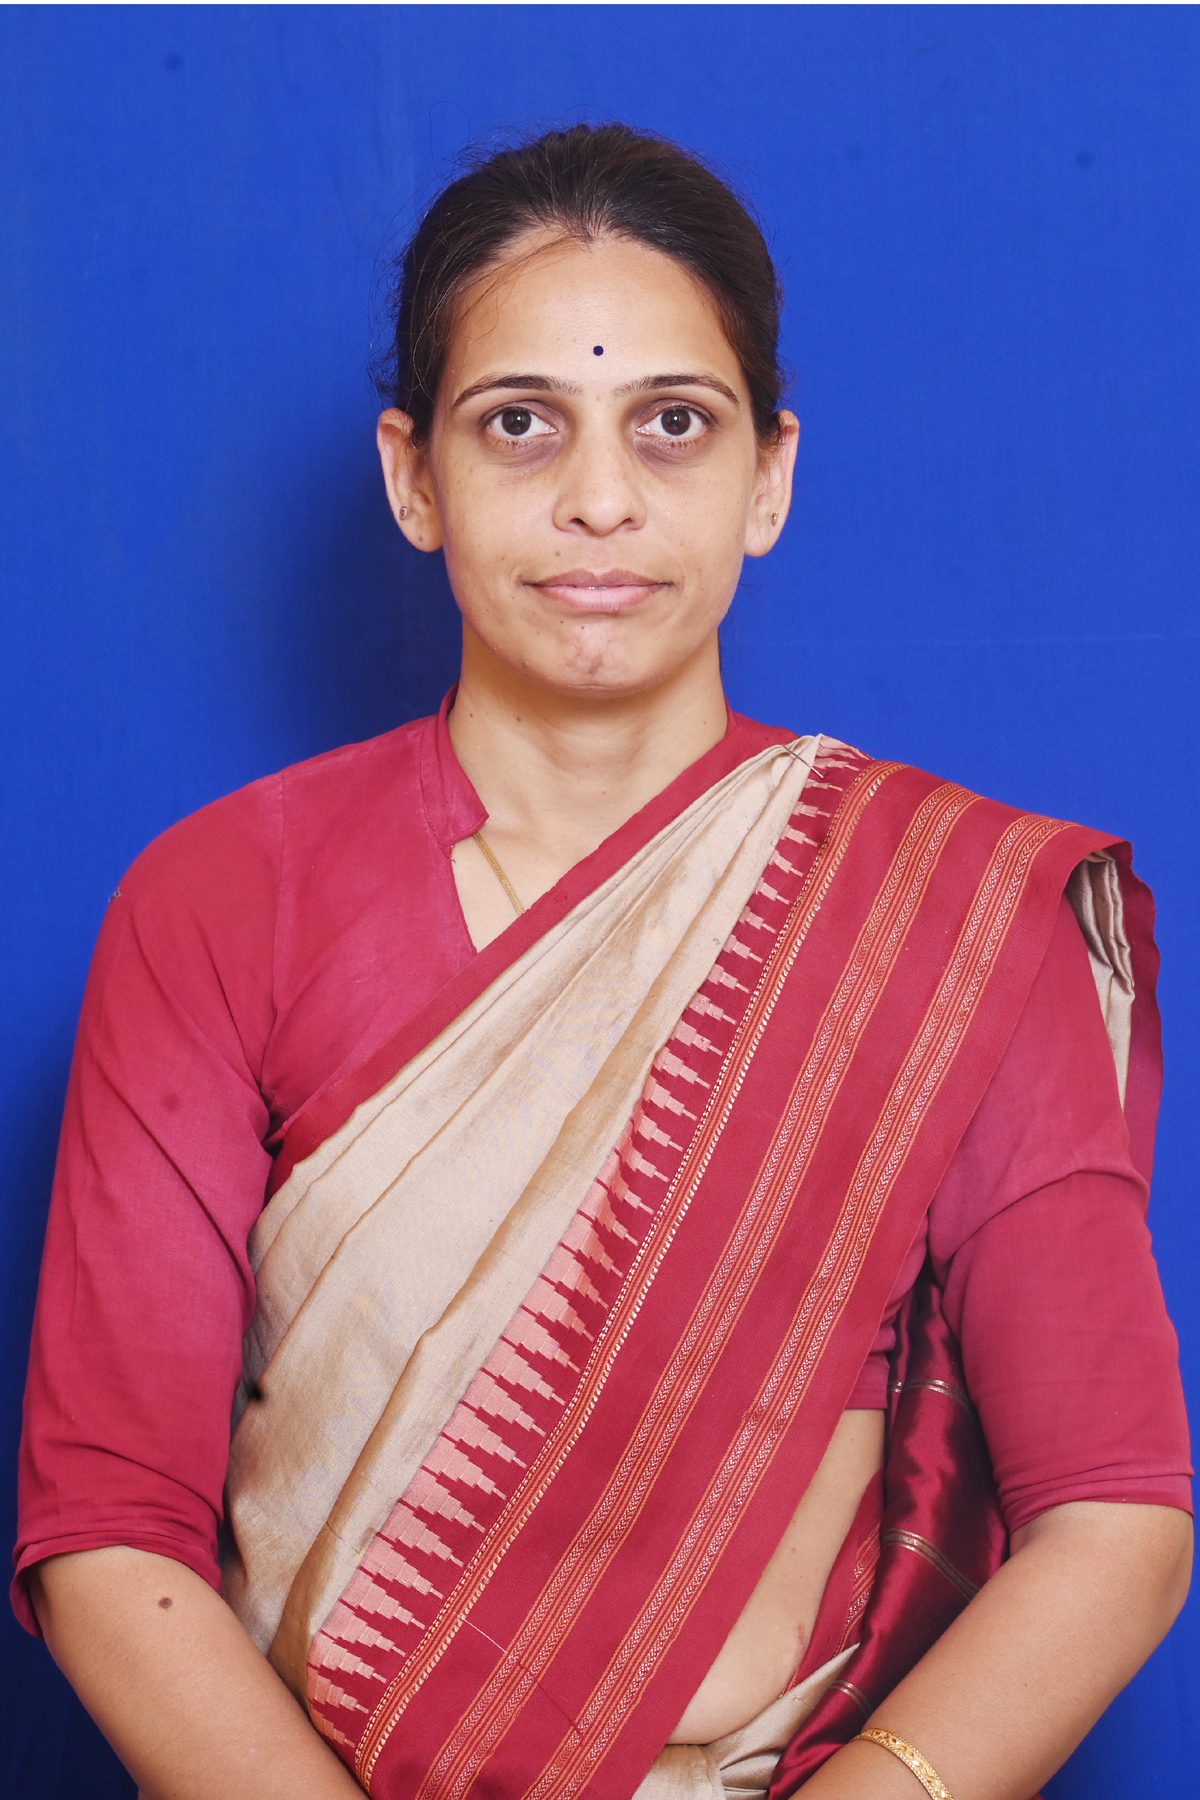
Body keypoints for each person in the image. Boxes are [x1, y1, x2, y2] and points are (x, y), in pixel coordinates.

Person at [13, 124, 1191, 1800]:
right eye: (520, 423)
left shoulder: (948, 914)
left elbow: (1115, 1512)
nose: (601, 500)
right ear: (413, 477)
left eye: (673, 423)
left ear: (769, 477)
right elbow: (107, 1530)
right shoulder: (221, 902)